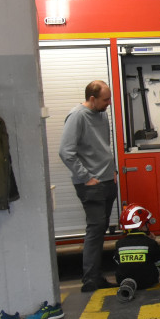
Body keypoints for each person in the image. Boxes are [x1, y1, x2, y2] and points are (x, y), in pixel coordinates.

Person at [59, 80, 119, 293]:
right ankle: (91, 280)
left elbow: (102, 146)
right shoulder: (77, 117)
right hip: (92, 185)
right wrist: (86, 178)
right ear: (92, 98)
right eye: (105, 99)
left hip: (106, 181)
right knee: (95, 230)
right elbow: (66, 152)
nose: (109, 103)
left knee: (100, 229)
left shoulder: (101, 114)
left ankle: (96, 276)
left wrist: (111, 171)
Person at [113, 204, 160, 299]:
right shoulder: (150, 243)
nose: (148, 226)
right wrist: (153, 242)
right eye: (146, 224)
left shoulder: (119, 244)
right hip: (147, 282)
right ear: (141, 226)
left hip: (122, 280)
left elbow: (116, 261)